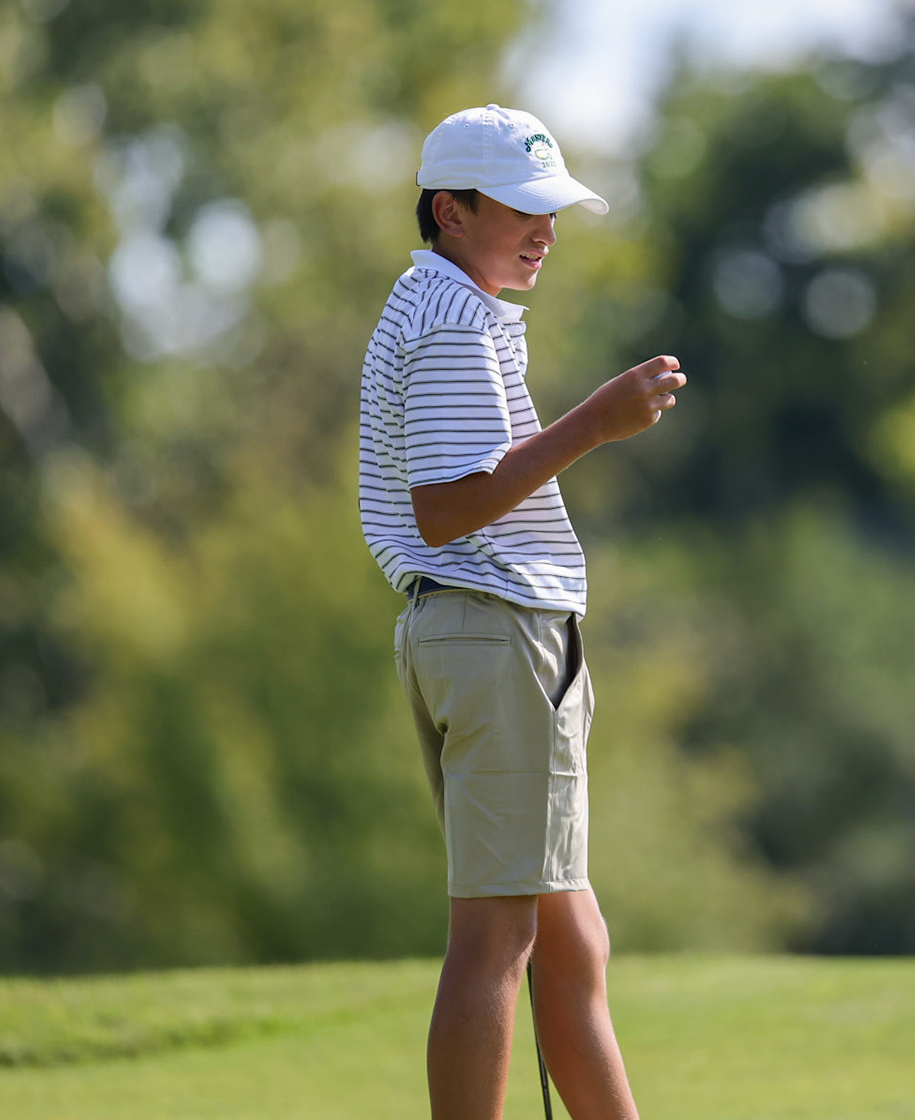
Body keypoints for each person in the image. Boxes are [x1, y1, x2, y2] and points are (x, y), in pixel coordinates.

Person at [358, 105, 682, 1120]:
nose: (546, 230)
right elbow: (447, 507)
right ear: (450, 211)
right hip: (495, 629)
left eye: (555, 210)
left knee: (567, 934)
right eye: (523, 210)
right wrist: (597, 422)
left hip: (472, 632)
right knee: (497, 942)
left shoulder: (439, 302)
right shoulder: (453, 320)